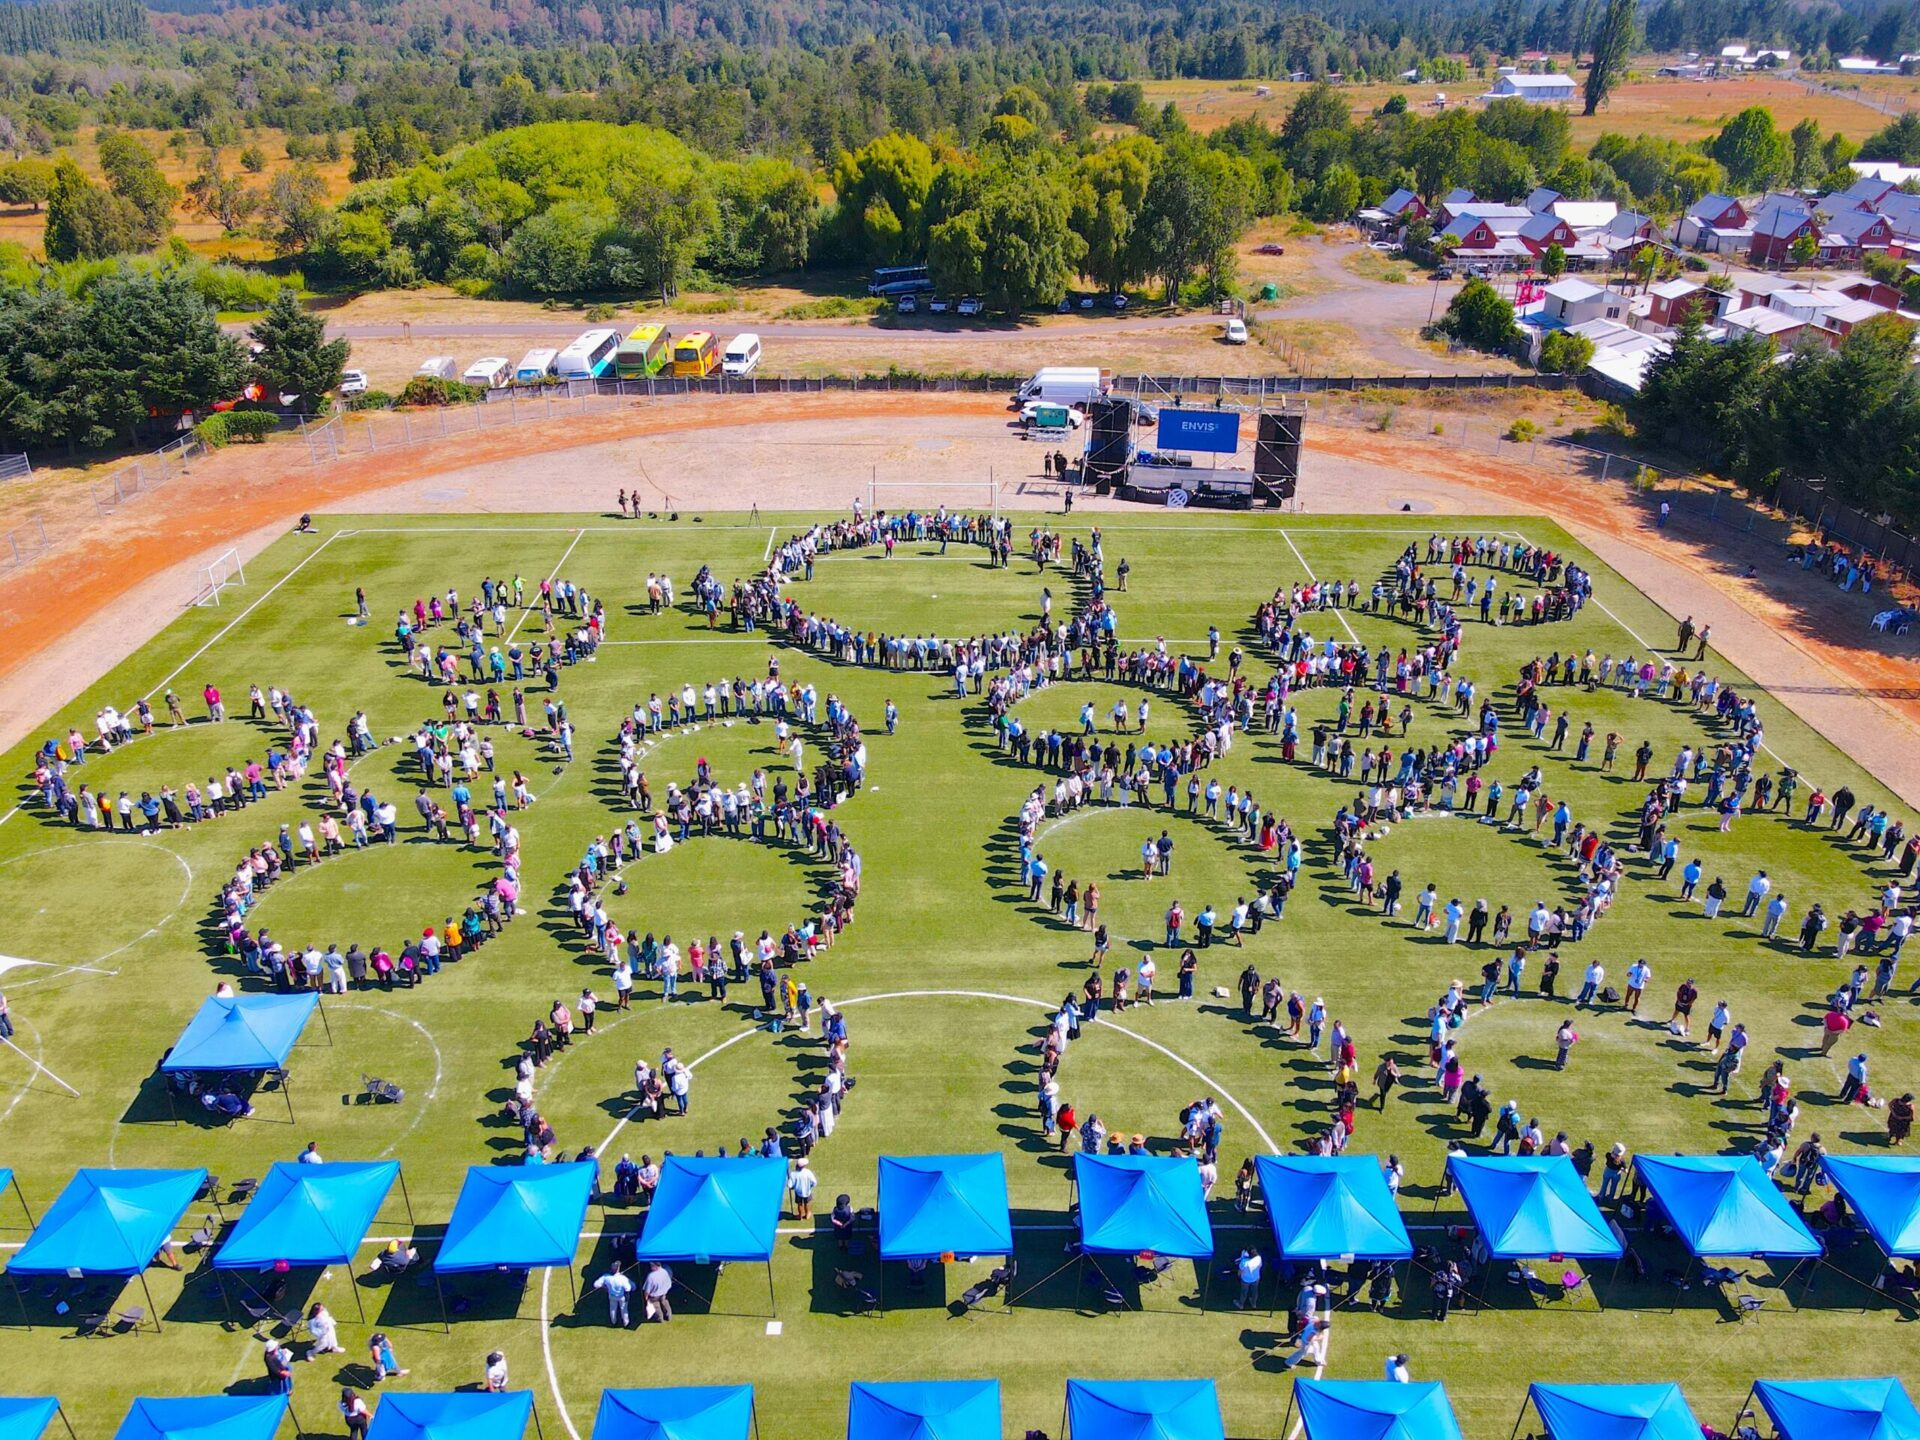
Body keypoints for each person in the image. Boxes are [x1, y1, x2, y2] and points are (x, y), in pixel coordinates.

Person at [593, 1261, 634, 1327]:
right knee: (624, 1310)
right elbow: (628, 1288)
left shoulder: (606, 1277)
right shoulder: (622, 1278)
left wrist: (605, 1287)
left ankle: (613, 1322)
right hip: (621, 1297)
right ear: (618, 1269)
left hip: (612, 1296)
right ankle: (626, 1323)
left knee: (612, 1309)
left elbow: (596, 1284)